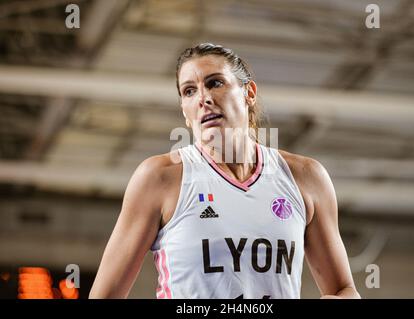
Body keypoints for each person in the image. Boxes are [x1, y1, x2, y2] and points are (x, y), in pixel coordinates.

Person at [89, 43, 361, 299]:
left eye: (215, 83)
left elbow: (344, 290)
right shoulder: (159, 178)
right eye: (189, 91)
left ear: (249, 93)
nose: (203, 98)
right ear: (185, 112)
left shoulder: (306, 177)